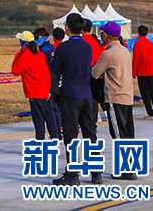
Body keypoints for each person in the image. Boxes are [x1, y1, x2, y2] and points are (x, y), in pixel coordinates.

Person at [51, 13, 101, 186]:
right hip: (87, 94)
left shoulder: (64, 48)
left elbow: (54, 67)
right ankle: (96, 173)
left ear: (67, 28)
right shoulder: (87, 46)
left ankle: (73, 174)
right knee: (90, 134)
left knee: (71, 135)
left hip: (71, 94)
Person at [91, 23, 135, 155]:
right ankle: (132, 166)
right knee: (128, 133)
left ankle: (127, 169)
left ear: (105, 36)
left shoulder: (108, 54)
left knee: (118, 134)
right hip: (127, 96)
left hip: (114, 97)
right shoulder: (125, 51)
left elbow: (94, 73)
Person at [11, 31, 58, 140]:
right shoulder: (39, 54)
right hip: (45, 89)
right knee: (49, 116)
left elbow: (15, 70)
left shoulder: (26, 55)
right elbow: (46, 72)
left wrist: (19, 54)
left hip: (35, 91)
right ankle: (55, 137)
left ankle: (40, 141)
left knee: (38, 119)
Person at [133, 25, 153, 119]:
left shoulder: (137, 44)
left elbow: (136, 59)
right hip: (151, 71)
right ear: (147, 33)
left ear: (138, 33)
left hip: (142, 72)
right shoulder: (151, 44)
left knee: (145, 93)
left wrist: (133, 72)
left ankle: (151, 113)